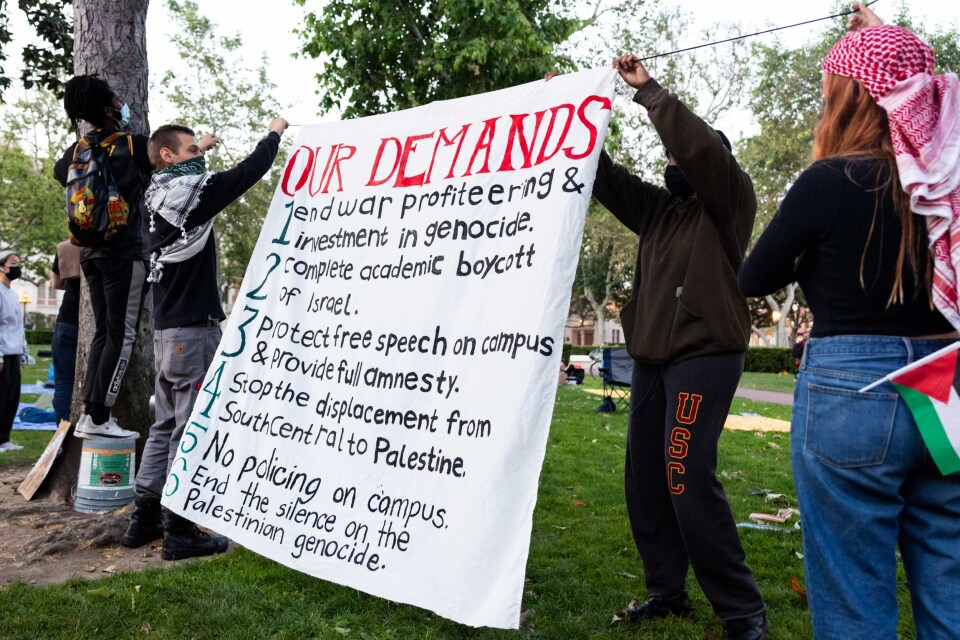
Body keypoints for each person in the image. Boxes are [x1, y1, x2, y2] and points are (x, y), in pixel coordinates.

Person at [739, 5, 960, 638]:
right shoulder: (950, 186)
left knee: (852, 585)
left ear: (849, 97)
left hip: (852, 390)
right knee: (949, 574)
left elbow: (752, 279)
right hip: (946, 380)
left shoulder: (829, 181)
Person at [584, 57, 767, 639]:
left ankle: (743, 613)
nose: (671, 164)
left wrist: (651, 95)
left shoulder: (730, 202)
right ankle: (665, 591)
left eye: (677, 155)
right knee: (644, 478)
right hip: (652, 362)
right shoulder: (659, 211)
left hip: (704, 356)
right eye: (666, 159)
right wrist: (570, 115)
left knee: (686, 474)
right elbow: (605, 178)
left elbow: (702, 153)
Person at [122, 118, 289, 560]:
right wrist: (273, 134)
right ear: (167, 156)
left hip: (164, 332)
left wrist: (203, 149)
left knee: (162, 425)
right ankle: (179, 530)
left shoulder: (155, 195)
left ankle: (143, 519)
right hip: (191, 333)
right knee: (187, 427)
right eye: (192, 149)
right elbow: (245, 174)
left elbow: (193, 177)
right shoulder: (190, 196)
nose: (199, 154)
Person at [54, 75, 151, 440]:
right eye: (115, 93)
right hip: (125, 253)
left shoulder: (78, 149)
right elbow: (166, 162)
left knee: (102, 333)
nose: (120, 98)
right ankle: (98, 416)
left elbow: (59, 173)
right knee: (120, 334)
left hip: (89, 253)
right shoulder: (132, 145)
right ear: (109, 106)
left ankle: (89, 413)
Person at [0, 251, 29, 453]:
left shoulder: (13, 294)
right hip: (2, 354)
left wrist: (23, 352)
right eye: (13, 263)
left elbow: (18, 326)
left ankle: (4, 438)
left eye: (19, 263)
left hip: (14, 354)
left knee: (11, 399)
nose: (17, 267)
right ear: (2, 267)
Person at [50, 240, 81, 423]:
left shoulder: (65, 247)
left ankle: (62, 436)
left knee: (63, 383)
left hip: (68, 319)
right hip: (101, 322)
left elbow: (56, 283)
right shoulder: (114, 242)